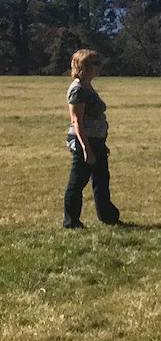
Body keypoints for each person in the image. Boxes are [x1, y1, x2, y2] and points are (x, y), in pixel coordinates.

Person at [63, 48, 120, 229]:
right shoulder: (78, 89)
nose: (100, 67)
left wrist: (100, 144)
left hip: (97, 141)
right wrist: (86, 149)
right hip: (84, 142)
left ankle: (108, 217)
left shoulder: (87, 86)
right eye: (96, 64)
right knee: (78, 182)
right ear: (85, 67)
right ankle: (71, 222)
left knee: (101, 180)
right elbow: (77, 121)